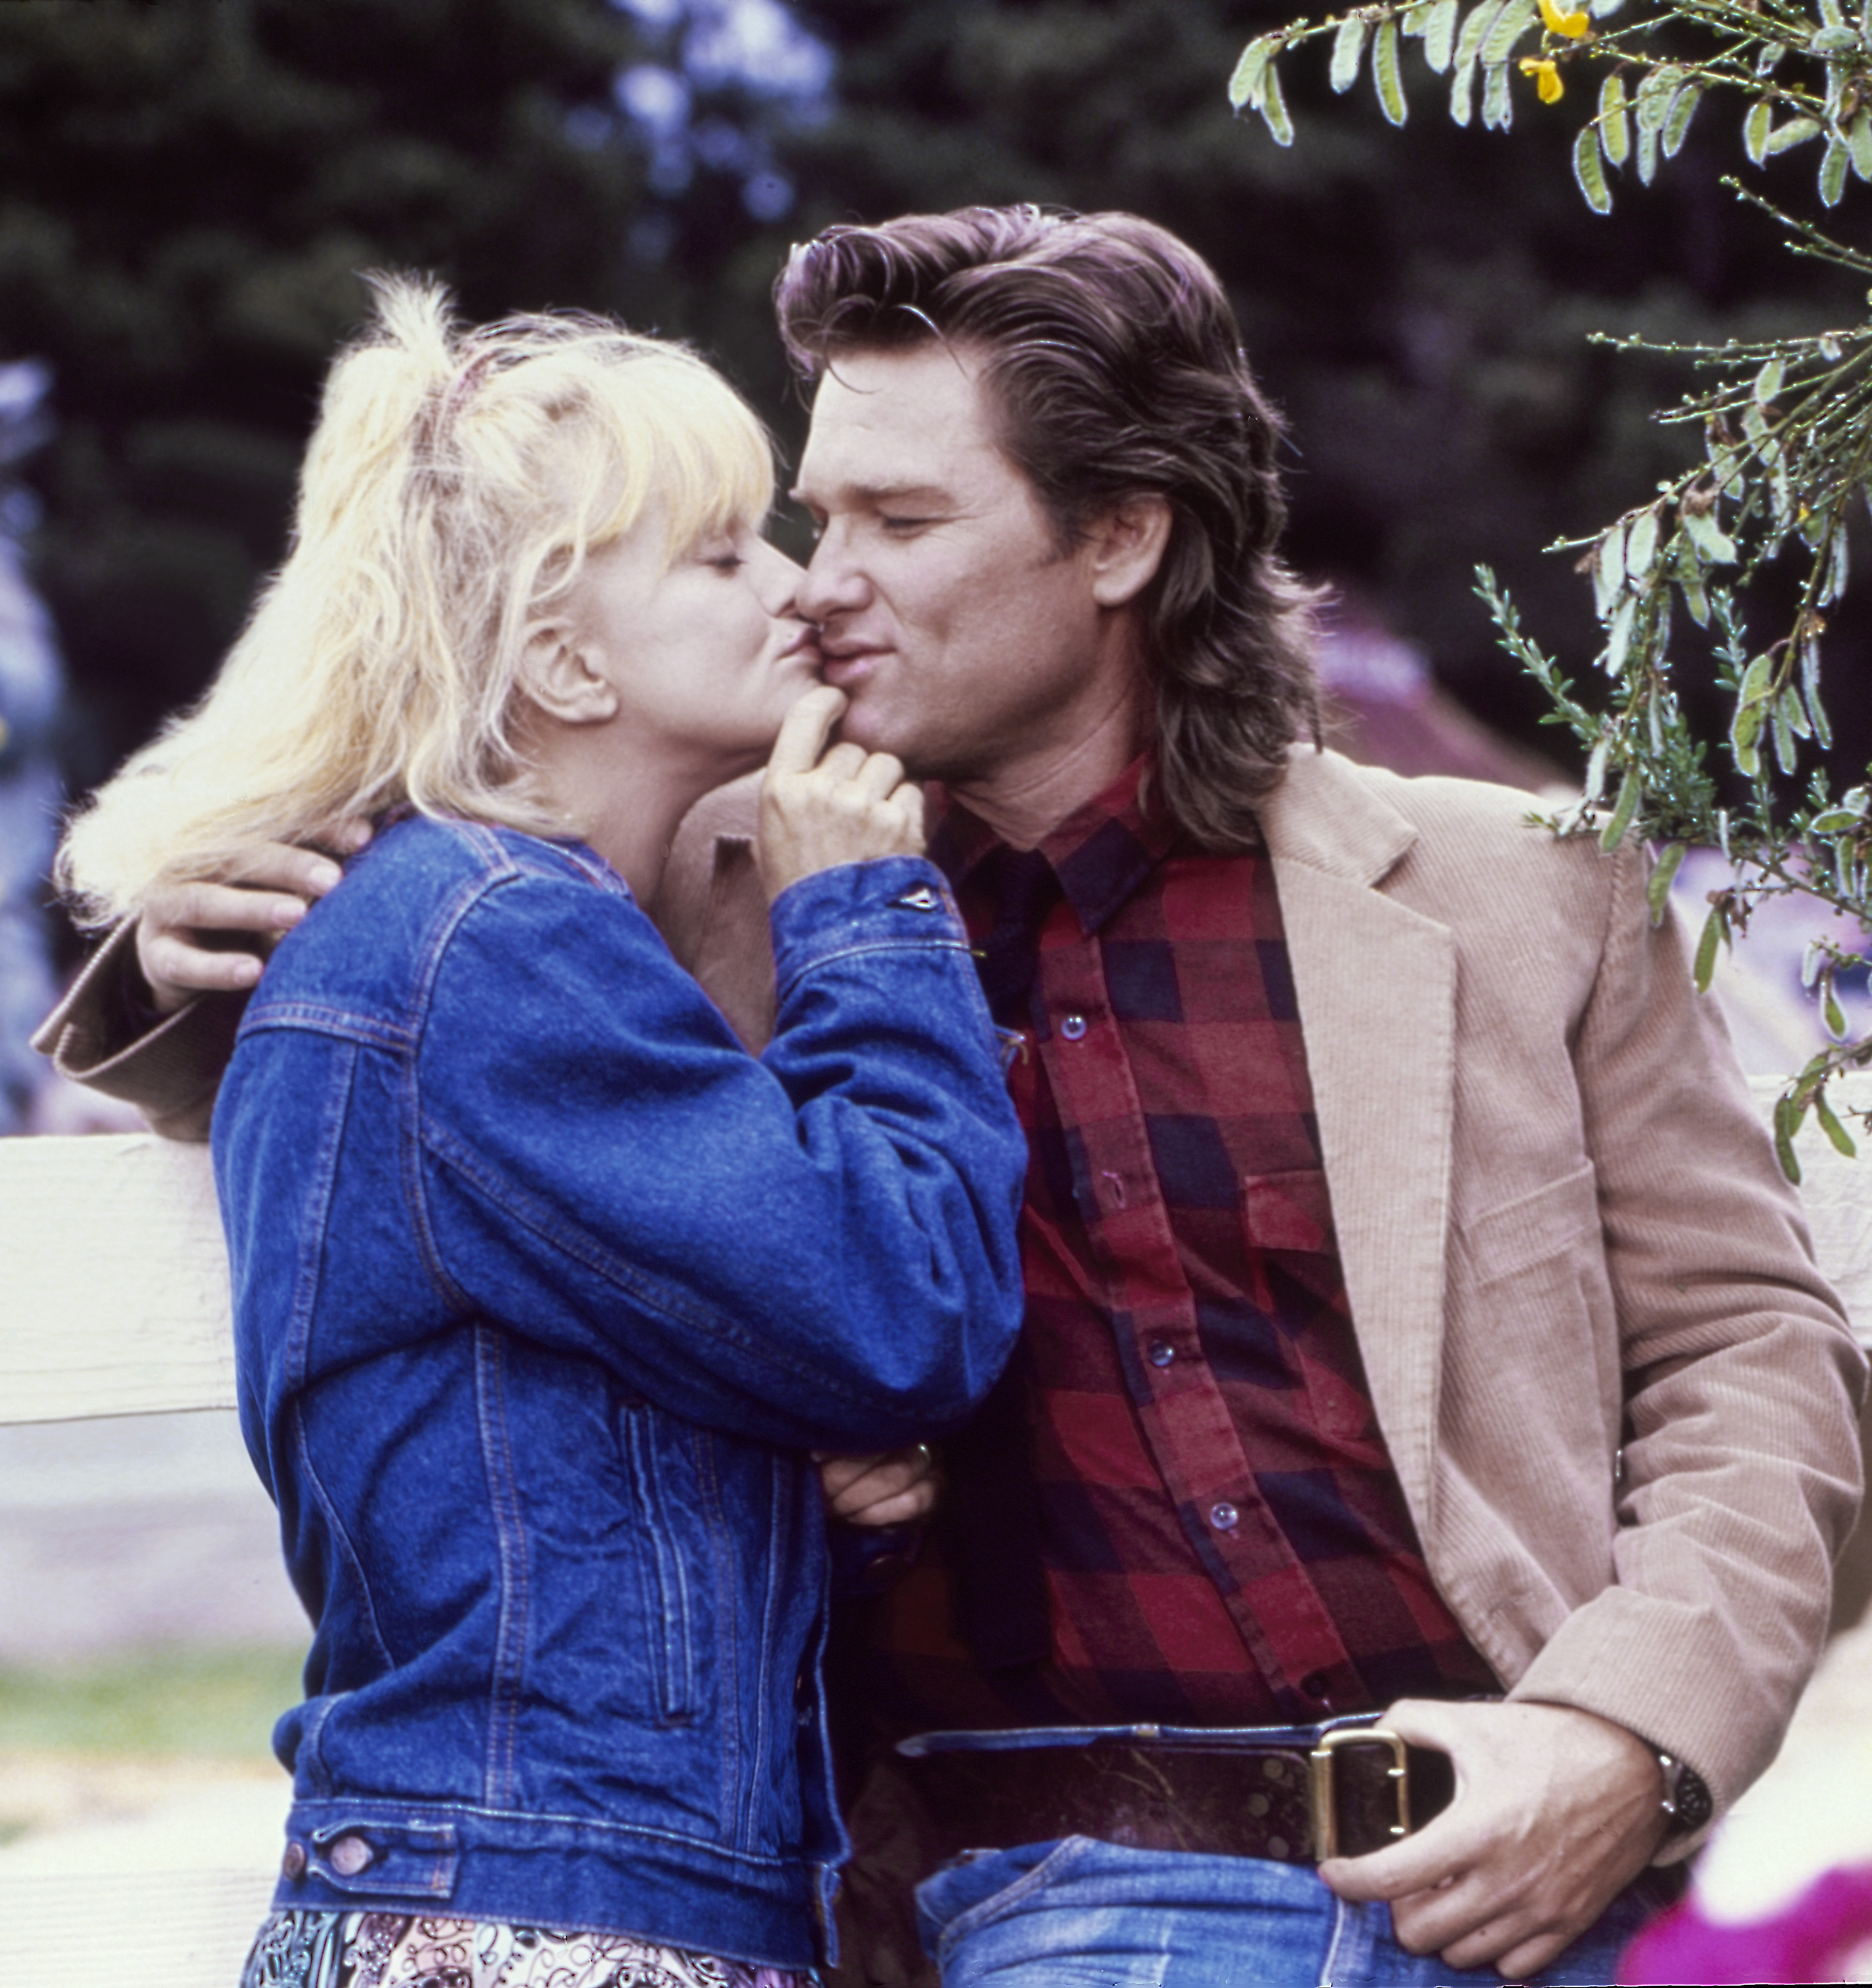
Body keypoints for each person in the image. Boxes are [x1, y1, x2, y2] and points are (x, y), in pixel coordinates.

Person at [38, 209, 1868, 1987]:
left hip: (1539, 1859)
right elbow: (423, 1023)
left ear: (1120, 535)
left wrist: (1626, 1735)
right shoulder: (679, 888)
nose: (818, 578)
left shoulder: (1515, 883)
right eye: (800, 517)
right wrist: (226, 894)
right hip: (1067, 1894)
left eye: (894, 520)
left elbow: (1749, 1346)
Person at [48, 276, 1028, 1988]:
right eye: (724, 553)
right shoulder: (492, 933)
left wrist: (822, 1502)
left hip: (540, 1883)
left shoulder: (493, 923)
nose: (798, 588)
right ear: (565, 655)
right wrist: (869, 911)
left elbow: (606, 1432)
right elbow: (904, 1312)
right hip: (545, 1914)